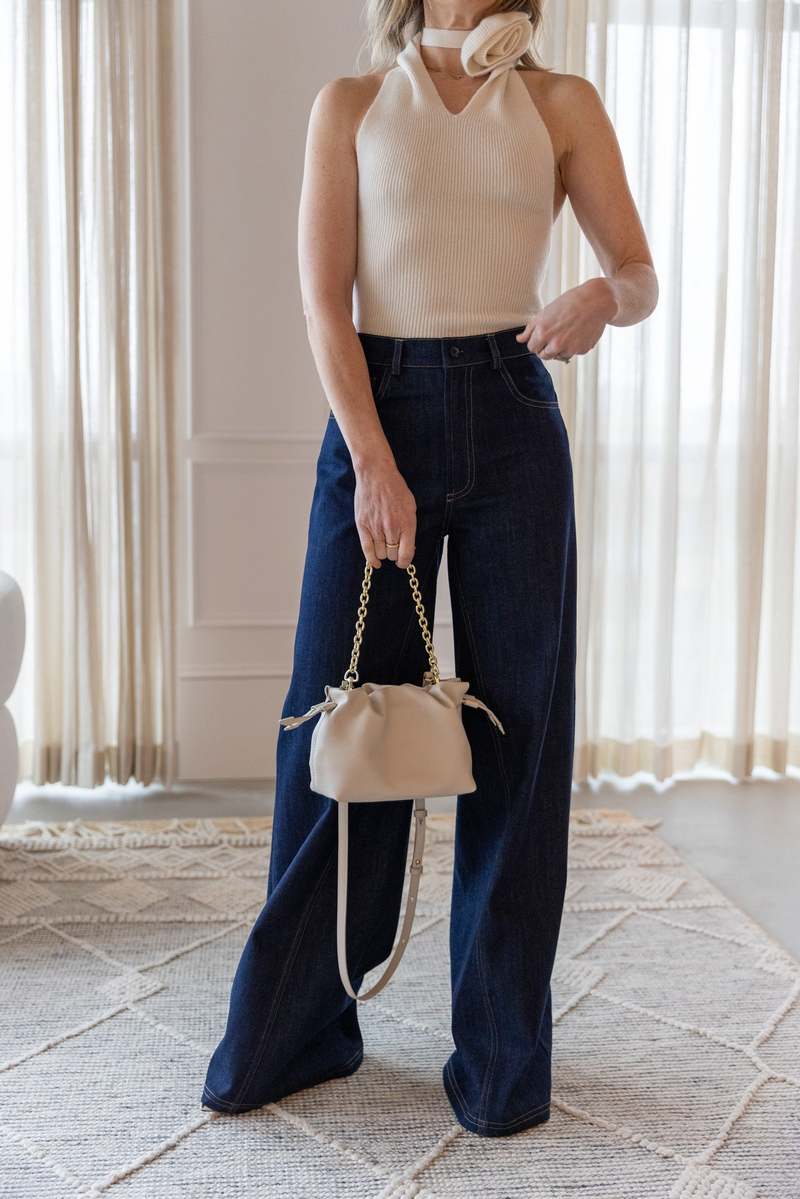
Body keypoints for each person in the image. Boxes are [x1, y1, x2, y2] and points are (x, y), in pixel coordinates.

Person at [201, 0, 657, 1137]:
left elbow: (639, 272)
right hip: (380, 412)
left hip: (512, 417)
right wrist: (372, 461)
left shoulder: (559, 104)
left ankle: (501, 1062)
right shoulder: (351, 105)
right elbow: (324, 301)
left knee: (517, 741)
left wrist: (602, 297)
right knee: (336, 725)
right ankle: (296, 1027)